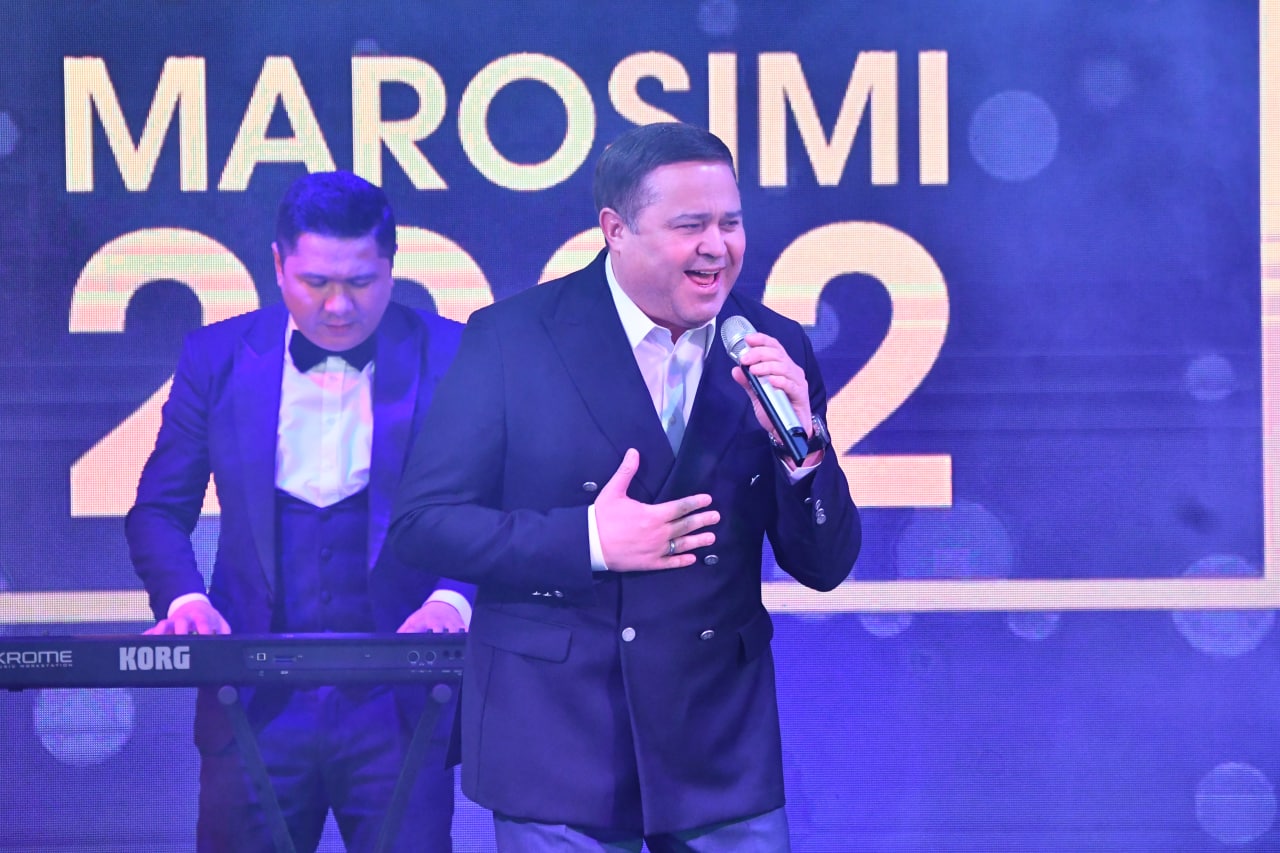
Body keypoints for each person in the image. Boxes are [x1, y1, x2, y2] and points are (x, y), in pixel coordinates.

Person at [387, 122, 861, 851]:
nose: (717, 246)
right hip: (557, 739)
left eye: (730, 223)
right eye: (690, 226)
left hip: (717, 747)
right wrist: (588, 540)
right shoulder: (514, 338)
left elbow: (824, 565)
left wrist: (804, 454)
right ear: (616, 230)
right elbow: (424, 523)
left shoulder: (773, 344)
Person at [126, 170, 467, 852]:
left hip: (401, 700)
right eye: (316, 282)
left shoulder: (454, 354)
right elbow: (157, 510)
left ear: (392, 266)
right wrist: (187, 599)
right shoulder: (215, 357)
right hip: (251, 699)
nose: (338, 306)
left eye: (361, 282)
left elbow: (498, 501)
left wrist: (453, 598)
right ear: (278, 265)